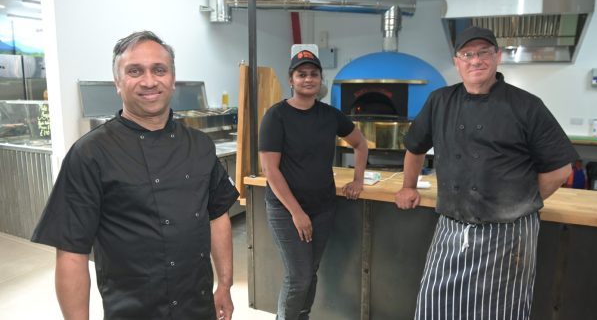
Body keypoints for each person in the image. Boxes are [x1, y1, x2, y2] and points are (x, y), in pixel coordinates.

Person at [31, 31, 238, 320]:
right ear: (118, 82)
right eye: (135, 71)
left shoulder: (200, 145)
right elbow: (71, 253)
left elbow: (217, 216)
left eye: (159, 70)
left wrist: (225, 284)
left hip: (197, 307)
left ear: (172, 78)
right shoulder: (90, 153)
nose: (149, 81)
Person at [395, 26, 577, 320]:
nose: (475, 60)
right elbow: (414, 147)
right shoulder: (440, 101)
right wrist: (408, 186)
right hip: (452, 226)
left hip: (510, 232)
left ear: (497, 57)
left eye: (483, 53)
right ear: (457, 61)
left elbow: (560, 169)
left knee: (500, 312)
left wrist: (519, 201)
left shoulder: (526, 105)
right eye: (467, 54)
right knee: (434, 306)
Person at [258, 49, 368, 319]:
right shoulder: (277, 116)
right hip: (287, 210)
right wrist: (297, 213)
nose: (308, 79)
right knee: (299, 277)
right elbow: (270, 170)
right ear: (291, 80)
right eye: (301, 74)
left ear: (321, 79)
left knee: (310, 272)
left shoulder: (331, 115)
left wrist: (358, 180)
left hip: (322, 208)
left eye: (314, 74)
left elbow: (360, 143)